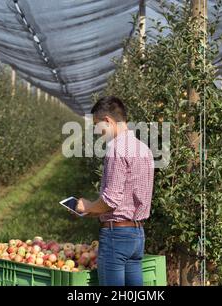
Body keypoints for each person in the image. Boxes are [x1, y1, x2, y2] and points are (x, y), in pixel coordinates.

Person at [76, 96, 154, 286]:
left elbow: (111, 201)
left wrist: (87, 206)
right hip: (137, 235)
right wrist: (95, 211)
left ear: (108, 121)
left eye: (97, 125)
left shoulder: (117, 149)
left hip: (116, 236)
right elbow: (129, 196)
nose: (97, 131)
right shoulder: (144, 149)